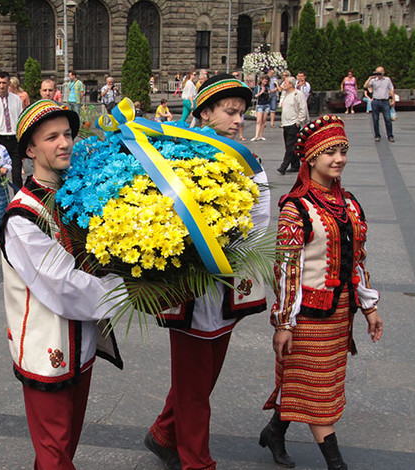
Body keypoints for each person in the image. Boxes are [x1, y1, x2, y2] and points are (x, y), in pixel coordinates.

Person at [145, 74, 271, 470]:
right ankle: (197, 462)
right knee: (195, 383)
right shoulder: (176, 156)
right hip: (190, 287)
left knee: (205, 374)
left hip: (228, 282)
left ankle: (164, 433)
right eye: (230, 112)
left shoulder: (248, 161)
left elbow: (262, 219)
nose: (238, 120)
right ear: (203, 112)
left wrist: (235, 248)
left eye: (242, 113)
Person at [1, 100, 126, 468]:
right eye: (52, 137)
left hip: (82, 342)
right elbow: (62, 286)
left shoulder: (78, 194)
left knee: (63, 446)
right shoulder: (23, 217)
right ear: (30, 149)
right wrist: (127, 291)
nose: (64, 143)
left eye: (68, 134)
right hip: (48, 349)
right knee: (55, 452)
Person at [259, 114, 382, 470]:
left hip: (341, 312)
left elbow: (357, 259)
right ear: (311, 157)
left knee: (312, 382)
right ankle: (336, 464)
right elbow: (286, 270)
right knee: (317, 390)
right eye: (330, 152)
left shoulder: (350, 204)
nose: (339, 158)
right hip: (306, 316)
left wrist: (369, 307)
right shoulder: (295, 209)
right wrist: (284, 322)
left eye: (343, 150)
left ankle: (275, 431)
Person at [277, 77, 309, 175]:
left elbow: (303, 108)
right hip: (286, 123)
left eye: (285, 83)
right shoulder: (285, 94)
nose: (283, 84)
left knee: (290, 146)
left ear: (291, 84)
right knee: (289, 144)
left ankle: (284, 166)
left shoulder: (298, 94)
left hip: (294, 123)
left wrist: (299, 121)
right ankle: (295, 165)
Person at [364, 67, 395, 142]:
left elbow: (391, 89)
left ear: (383, 72)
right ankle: (377, 135)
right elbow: (365, 86)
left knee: (388, 119)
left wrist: (393, 99)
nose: (379, 74)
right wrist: (370, 77)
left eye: (380, 72)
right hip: (376, 101)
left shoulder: (387, 80)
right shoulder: (373, 80)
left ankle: (390, 135)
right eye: (377, 72)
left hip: (385, 101)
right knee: (375, 119)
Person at [252, 75, 271, 141]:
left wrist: (268, 93)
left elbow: (269, 96)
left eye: (266, 80)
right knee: (259, 121)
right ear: (261, 80)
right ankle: (256, 135)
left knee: (263, 121)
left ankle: (261, 135)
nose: (265, 81)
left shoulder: (267, 87)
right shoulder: (258, 87)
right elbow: (255, 96)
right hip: (260, 104)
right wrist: (261, 92)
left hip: (266, 104)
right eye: (264, 80)